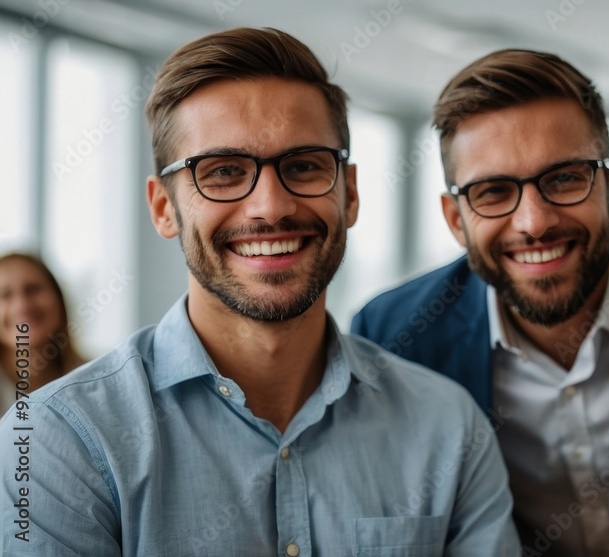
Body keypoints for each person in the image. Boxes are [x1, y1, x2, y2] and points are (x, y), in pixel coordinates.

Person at [0, 27, 518, 556]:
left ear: (351, 192)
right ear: (163, 208)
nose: (270, 206)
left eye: (303, 166)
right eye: (222, 172)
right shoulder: (58, 442)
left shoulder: (449, 429)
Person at [352, 48, 609, 557]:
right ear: (456, 218)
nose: (534, 221)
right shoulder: (396, 336)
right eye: (493, 191)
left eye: (565, 178)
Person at [0, 253, 86, 413]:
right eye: (5, 295)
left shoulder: (94, 379)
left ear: (58, 298)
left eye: (33, 289)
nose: (22, 305)